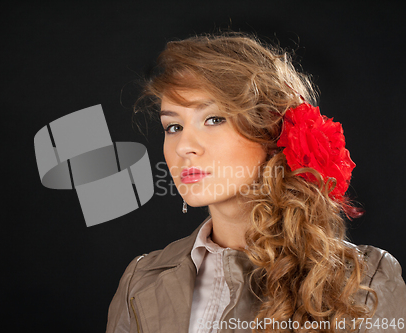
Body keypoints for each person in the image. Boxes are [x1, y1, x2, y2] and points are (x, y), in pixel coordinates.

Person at [106, 33, 406, 333]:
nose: (184, 146)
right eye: (173, 126)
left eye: (213, 119)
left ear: (274, 132)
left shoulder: (367, 280)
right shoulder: (141, 279)